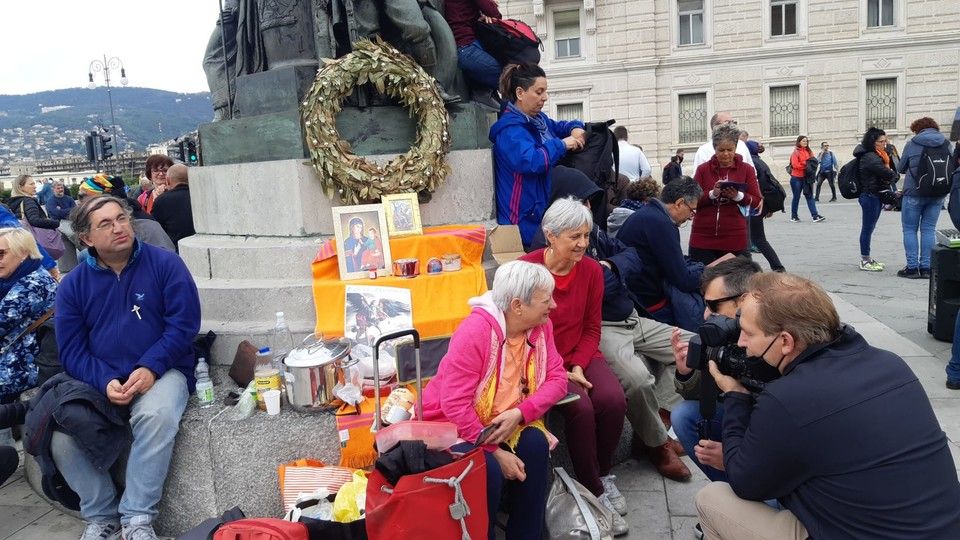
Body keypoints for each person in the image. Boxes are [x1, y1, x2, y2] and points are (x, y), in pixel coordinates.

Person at [695, 272, 960, 539]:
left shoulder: (789, 398)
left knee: (711, 499)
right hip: (944, 528)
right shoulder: (891, 363)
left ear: (786, 341)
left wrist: (736, 396)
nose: (741, 343)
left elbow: (744, 483)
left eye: (748, 333)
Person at [52, 195, 201, 540]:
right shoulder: (73, 285)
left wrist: (151, 366)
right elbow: (72, 351)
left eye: (121, 218)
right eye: (105, 223)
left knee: (156, 414)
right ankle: (103, 517)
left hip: (163, 370)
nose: (119, 227)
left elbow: (184, 324)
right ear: (85, 239)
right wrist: (103, 380)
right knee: (62, 438)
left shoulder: (165, 265)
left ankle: (136, 518)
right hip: (98, 379)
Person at [419, 260, 567, 540]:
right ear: (517, 305)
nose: (554, 306)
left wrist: (521, 413)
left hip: (506, 418)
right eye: (546, 300)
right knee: (488, 473)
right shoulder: (475, 332)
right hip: (454, 426)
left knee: (535, 446)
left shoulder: (539, 327)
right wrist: (495, 452)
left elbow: (558, 378)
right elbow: (454, 405)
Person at [519, 198, 629, 535]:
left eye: (585, 235)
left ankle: (604, 473)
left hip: (580, 354)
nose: (583, 243)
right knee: (579, 407)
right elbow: (521, 329)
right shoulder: (528, 270)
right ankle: (593, 489)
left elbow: (592, 328)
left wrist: (579, 365)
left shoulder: (592, 270)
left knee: (613, 400)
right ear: (550, 236)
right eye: (574, 237)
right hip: (542, 359)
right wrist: (556, 367)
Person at [669, 257, 762, 483]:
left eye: (713, 305)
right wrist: (687, 372)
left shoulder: (772, 338)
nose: (705, 315)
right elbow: (703, 397)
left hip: (776, 435)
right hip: (747, 416)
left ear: (744, 301)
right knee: (684, 415)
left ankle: (755, 499)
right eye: (705, 305)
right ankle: (731, 492)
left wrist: (734, 457)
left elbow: (784, 430)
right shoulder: (723, 331)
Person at [490, 63, 587, 247]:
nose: (545, 97)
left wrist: (575, 128)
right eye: (539, 92)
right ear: (520, 93)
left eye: (545, 91)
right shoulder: (510, 130)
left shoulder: (538, 119)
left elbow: (560, 126)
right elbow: (531, 161)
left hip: (542, 213)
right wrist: (562, 144)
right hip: (523, 222)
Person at [618, 177, 704, 330]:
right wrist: (707, 272)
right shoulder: (661, 223)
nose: (692, 217)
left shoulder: (649, 214)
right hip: (648, 304)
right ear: (679, 203)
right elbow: (682, 279)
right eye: (692, 210)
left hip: (635, 296)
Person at [0, 228, 57, 446]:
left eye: (1, 254)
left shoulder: (32, 284)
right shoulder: (16, 278)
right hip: (17, 356)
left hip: (28, 364)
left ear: (23, 253)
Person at [689, 123, 762, 265]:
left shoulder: (746, 169)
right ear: (714, 149)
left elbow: (756, 200)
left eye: (730, 149)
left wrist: (738, 196)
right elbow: (692, 199)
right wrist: (712, 194)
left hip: (734, 236)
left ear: (736, 148)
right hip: (703, 236)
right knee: (701, 279)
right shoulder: (703, 170)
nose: (726, 154)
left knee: (734, 282)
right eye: (721, 150)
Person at [896, 117, 952, 279]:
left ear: (917, 129)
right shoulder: (947, 143)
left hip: (914, 192)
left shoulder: (913, 143)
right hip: (938, 192)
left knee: (909, 229)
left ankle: (912, 268)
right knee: (928, 229)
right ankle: (927, 268)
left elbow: (901, 168)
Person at [443, 0, 503, 108]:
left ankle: (482, 92)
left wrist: (483, 16)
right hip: (467, 47)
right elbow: (494, 12)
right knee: (507, 76)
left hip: (466, 46)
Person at [855, 127, 899, 272]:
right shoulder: (870, 157)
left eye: (885, 141)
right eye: (881, 141)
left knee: (870, 227)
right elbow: (887, 173)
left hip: (875, 195)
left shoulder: (879, 154)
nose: (884, 144)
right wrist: (893, 174)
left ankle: (867, 257)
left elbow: (890, 171)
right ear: (873, 142)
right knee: (867, 228)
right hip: (870, 196)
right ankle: (865, 259)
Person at [745, 140, 786, 272]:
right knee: (754, 238)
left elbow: (757, 186)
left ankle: (777, 268)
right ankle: (777, 267)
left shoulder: (751, 163)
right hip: (761, 204)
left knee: (756, 239)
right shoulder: (759, 161)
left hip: (754, 205)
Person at [150, 163, 195, 251]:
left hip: (176, 250)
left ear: (168, 180)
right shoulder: (200, 195)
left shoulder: (161, 201)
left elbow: (157, 231)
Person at [788, 135, 824, 223]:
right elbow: (795, 165)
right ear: (799, 142)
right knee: (796, 197)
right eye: (803, 141)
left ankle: (815, 216)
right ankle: (794, 216)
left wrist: (807, 164)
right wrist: (806, 164)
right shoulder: (795, 152)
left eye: (806, 141)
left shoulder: (809, 151)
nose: (805, 142)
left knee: (809, 196)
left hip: (807, 177)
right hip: (796, 178)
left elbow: (813, 161)